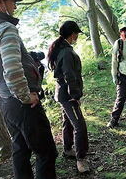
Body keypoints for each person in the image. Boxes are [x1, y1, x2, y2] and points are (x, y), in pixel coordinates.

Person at [0, 0, 57, 179]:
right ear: (0, 2)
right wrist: (25, 97)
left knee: (20, 150)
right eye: (12, 0)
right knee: (46, 153)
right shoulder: (5, 27)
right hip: (22, 103)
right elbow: (12, 69)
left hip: (5, 100)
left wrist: (6, 92)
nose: (15, 5)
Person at [47, 21, 90, 173]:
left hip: (62, 93)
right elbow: (69, 75)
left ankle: (67, 149)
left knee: (68, 121)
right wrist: (75, 94)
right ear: (72, 34)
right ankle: (81, 159)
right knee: (80, 126)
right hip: (68, 95)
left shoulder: (62, 48)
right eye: (76, 33)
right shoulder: (66, 52)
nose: (77, 36)